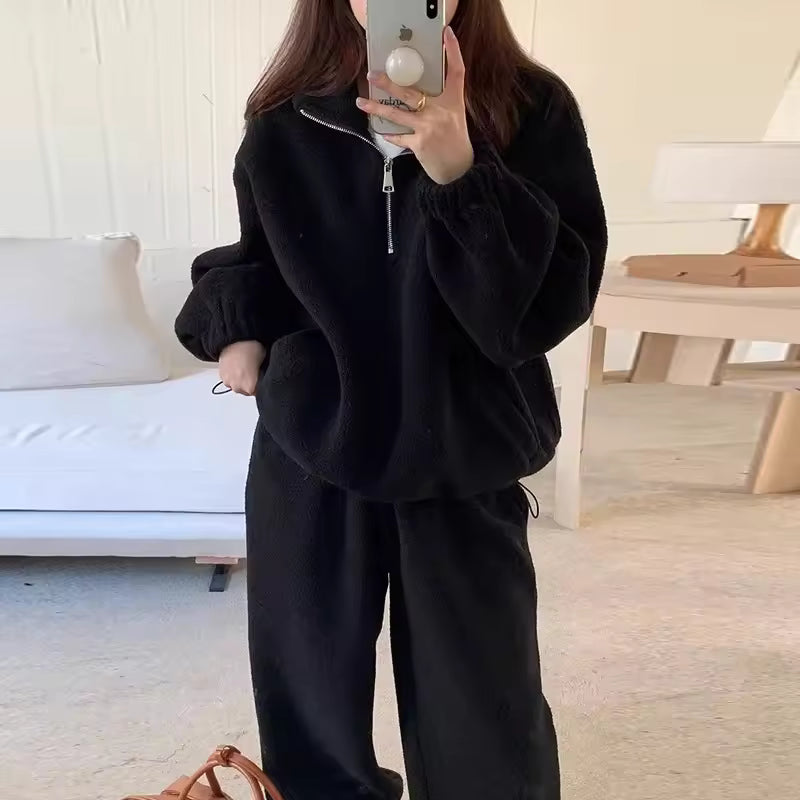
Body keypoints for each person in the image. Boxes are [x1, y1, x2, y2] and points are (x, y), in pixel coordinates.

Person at [175, 0, 606, 796]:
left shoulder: (530, 105)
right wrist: (237, 330)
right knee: (307, 685)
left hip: (466, 445)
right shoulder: (286, 114)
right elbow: (259, 255)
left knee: (482, 693)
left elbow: (542, 309)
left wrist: (460, 171)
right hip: (314, 439)